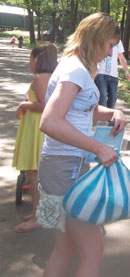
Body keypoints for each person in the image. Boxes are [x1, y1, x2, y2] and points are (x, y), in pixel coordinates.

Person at [38, 12, 127, 277]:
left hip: (65, 164)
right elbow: (51, 121)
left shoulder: (74, 67)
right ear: (96, 38)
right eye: (110, 45)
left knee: (66, 248)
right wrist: (97, 147)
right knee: (93, 248)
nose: (111, 53)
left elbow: (82, 109)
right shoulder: (76, 70)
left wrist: (112, 112)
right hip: (66, 165)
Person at [12, 42, 58, 233]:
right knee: (36, 174)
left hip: (37, 129)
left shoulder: (40, 78)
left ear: (37, 60)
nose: (29, 62)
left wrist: (24, 105)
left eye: (31, 58)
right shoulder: (51, 77)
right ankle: (37, 211)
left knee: (34, 174)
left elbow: (44, 104)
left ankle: (38, 217)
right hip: (39, 128)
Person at [95, 39, 130, 108]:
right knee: (102, 96)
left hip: (113, 75)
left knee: (113, 98)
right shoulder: (100, 37)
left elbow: (122, 57)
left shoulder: (118, 41)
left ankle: (110, 117)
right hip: (101, 73)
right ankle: (102, 117)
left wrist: (126, 71)